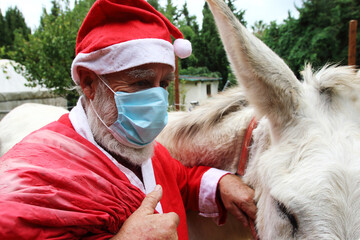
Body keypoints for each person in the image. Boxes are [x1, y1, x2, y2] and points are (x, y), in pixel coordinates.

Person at [0, 0, 257, 239]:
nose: (157, 98)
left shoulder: (144, 150)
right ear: (89, 82)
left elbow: (180, 179)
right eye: (141, 82)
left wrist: (221, 184)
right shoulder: (34, 176)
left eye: (163, 83)